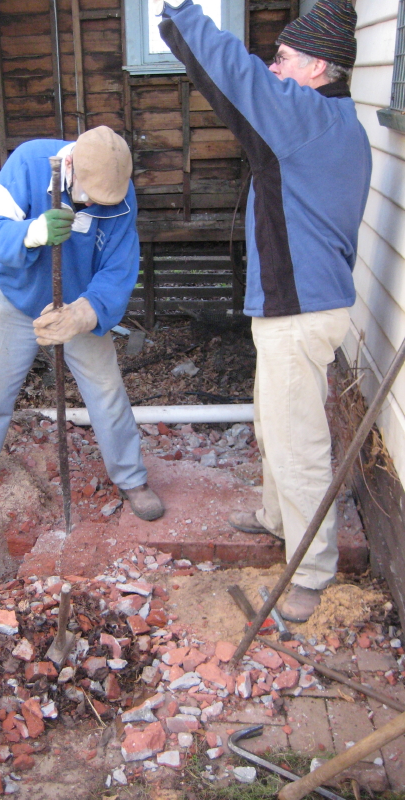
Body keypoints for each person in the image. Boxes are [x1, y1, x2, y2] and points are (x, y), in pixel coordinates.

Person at [157, 0, 371, 621]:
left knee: (298, 439)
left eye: (283, 58)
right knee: (273, 423)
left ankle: (310, 569)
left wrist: (179, 10)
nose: (273, 68)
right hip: (299, 306)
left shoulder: (306, 117)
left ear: (319, 67)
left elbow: (233, 71)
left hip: (299, 311)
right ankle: (277, 518)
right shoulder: (332, 122)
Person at [0, 126, 164, 523]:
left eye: (104, 197)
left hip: (77, 306)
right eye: (90, 195)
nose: (97, 203)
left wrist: (83, 314)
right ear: (71, 163)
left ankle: (132, 479)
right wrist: (33, 232)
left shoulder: (120, 195)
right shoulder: (28, 162)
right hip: (18, 297)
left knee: (107, 393)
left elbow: (118, 269)